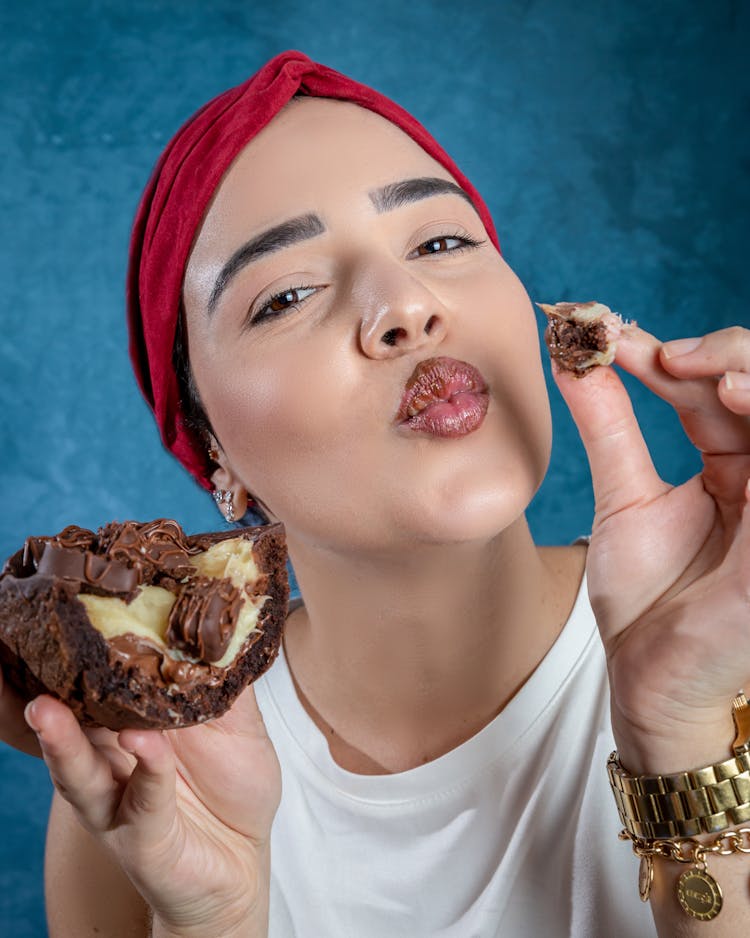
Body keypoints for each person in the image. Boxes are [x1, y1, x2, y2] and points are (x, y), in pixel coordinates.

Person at [2, 50, 749, 937]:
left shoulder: (728, 633)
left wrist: (681, 734)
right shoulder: (149, 784)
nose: (407, 302)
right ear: (213, 455)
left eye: (440, 242)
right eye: (287, 295)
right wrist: (215, 920)